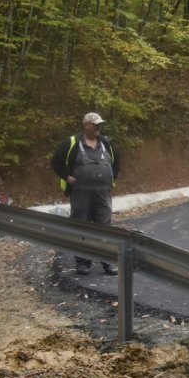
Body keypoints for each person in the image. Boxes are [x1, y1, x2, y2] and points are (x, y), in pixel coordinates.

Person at [50, 112, 121, 275]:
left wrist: (111, 180)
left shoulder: (106, 143)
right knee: (81, 226)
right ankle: (83, 263)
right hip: (81, 193)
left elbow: (116, 162)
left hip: (103, 193)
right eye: (95, 125)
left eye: (100, 125)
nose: (98, 128)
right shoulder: (72, 143)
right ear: (86, 125)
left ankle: (108, 262)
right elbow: (56, 161)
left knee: (104, 227)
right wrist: (67, 177)